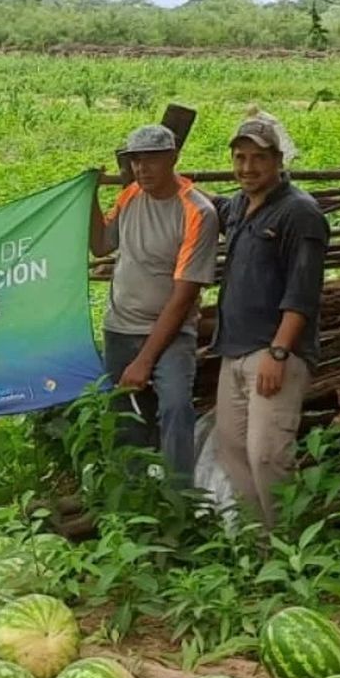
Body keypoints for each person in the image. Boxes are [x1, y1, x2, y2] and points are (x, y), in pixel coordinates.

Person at [211, 114, 330, 526]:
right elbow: (204, 204)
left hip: (274, 353)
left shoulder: (300, 214)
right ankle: (260, 548)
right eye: (240, 157)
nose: (247, 167)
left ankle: (290, 546)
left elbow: (304, 291)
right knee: (233, 450)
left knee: (268, 455)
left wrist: (279, 352)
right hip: (234, 351)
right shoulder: (239, 205)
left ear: (278, 160)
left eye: (258, 158)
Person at [89, 122, 218, 489]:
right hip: (120, 327)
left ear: (174, 158)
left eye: (152, 160)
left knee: (175, 408)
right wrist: (88, 199)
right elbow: (101, 246)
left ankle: (179, 500)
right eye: (136, 161)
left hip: (171, 333)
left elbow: (183, 296)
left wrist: (145, 358)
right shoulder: (130, 195)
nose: (142, 169)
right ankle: (132, 498)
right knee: (125, 418)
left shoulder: (197, 212)